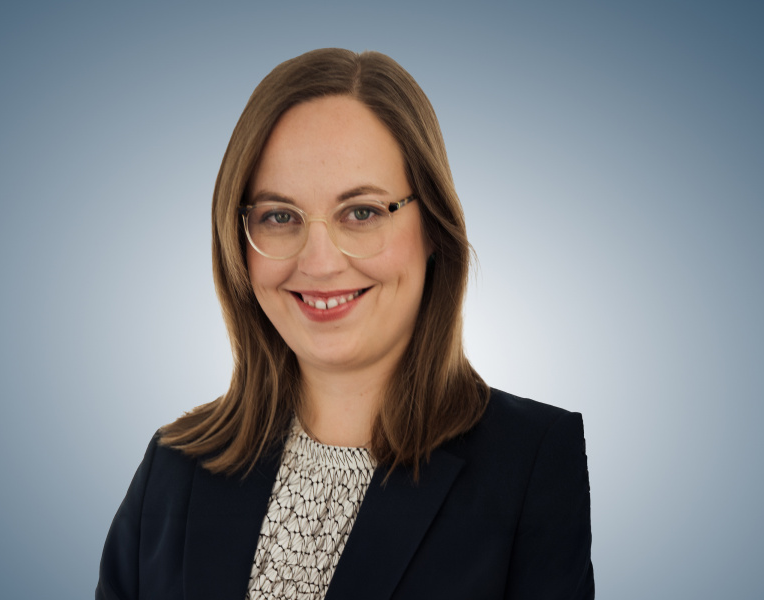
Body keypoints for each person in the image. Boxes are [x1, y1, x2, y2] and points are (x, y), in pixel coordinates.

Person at [97, 48, 594, 600]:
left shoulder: (532, 467)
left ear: (433, 227)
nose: (319, 262)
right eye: (279, 216)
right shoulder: (173, 467)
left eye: (362, 212)